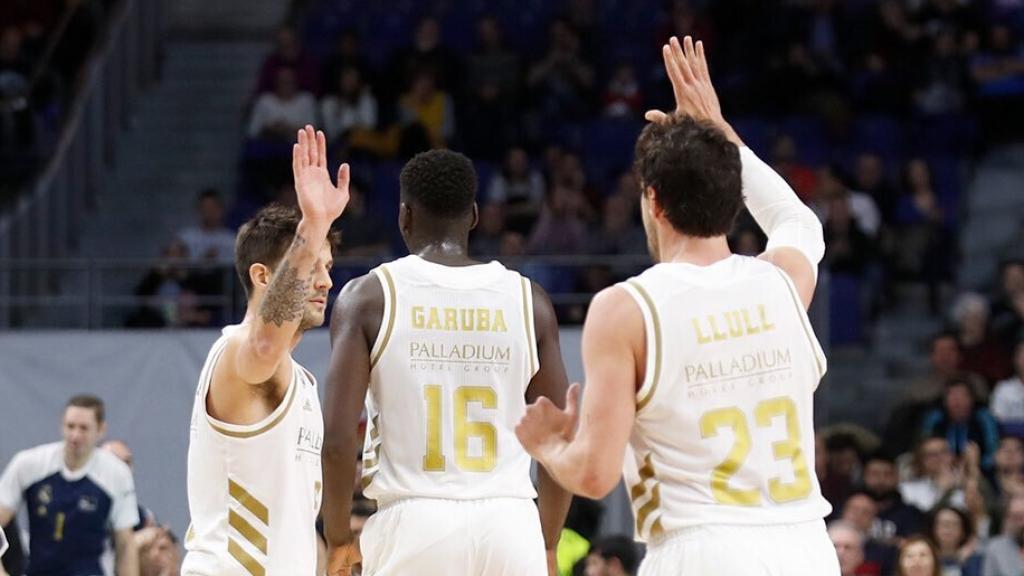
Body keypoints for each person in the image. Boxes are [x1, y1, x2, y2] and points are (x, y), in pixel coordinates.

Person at [515, 36, 837, 574]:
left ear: (654, 201)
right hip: (806, 547)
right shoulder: (783, 282)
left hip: (701, 549)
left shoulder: (626, 308)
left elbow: (595, 476)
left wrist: (547, 447)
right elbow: (798, 220)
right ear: (734, 197)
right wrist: (720, 132)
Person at [321, 149, 572, 576]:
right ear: (474, 215)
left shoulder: (368, 297)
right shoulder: (530, 301)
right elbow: (561, 434)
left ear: (404, 216)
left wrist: (338, 537)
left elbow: (339, 439)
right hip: (509, 521)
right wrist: (546, 540)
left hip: (415, 519)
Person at [182, 126, 349, 576]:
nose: (326, 282)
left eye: (328, 267)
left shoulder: (303, 381)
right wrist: (313, 226)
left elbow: (290, 517)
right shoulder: (240, 351)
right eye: (313, 265)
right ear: (261, 277)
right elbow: (264, 339)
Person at [0, 395, 140, 576]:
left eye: (84, 428)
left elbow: (125, 544)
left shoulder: (116, 473)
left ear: (101, 429)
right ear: (61, 425)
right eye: (70, 426)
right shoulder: (28, 464)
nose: (75, 436)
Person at [177, 189, 237, 264]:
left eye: (212, 207)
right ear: (199, 209)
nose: (209, 212)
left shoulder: (231, 240)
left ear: (221, 209)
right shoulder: (186, 238)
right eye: (205, 207)